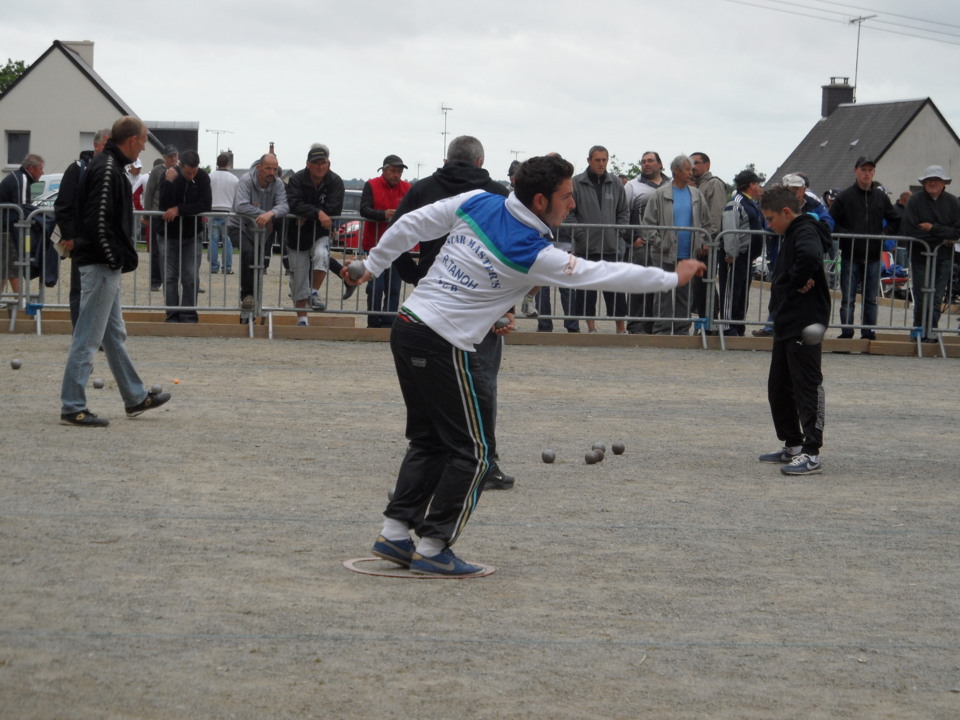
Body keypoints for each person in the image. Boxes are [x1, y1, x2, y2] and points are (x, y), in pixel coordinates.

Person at [345, 154, 704, 575]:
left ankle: (395, 533)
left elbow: (411, 225)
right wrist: (670, 279)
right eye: (567, 197)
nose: (573, 205)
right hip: (441, 340)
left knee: (430, 440)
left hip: (408, 326)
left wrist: (372, 264)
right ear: (539, 201)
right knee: (475, 454)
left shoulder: (478, 200)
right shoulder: (534, 252)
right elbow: (601, 273)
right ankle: (432, 547)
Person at [388, 135, 517, 490]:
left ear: (448, 158)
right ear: (480, 161)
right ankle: (484, 463)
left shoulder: (423, 188)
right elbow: (512, 255)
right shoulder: (496, 193)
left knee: (434, 385)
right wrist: (507, 306)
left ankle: (439, 459)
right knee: (482, 383)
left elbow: (396, 233)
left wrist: (413, 275)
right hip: (481, 304)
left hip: (435, 301)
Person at [59, 116, 171, 427]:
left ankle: (135, 397)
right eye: (144, 139)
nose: (145, 145)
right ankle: (72, 405)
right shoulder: (108, 169)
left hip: (100, 263)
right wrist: (112, 257)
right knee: (88, 336)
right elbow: (97, 222)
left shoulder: (108, 166)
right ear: (133, 139)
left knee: (111, 334)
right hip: (99, 264)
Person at [757, 185, 831, 476]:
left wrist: (796, 279)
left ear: (786, 212)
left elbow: (811, 257)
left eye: (771, 218)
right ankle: (794, 444)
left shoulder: (804, 230)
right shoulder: (791, 231)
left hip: (806, 322)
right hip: (788, 322)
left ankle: (812, 453)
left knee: (806, 386)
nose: (768, 224)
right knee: (779, 387)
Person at [828, 156, 900, 340]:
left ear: (874, 172)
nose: (866, 174)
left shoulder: (881, 197)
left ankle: (868, 332)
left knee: (871, 299)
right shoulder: (845, 196)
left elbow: (895, 219)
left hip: (874, 256)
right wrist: (847, 233)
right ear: (856, 171)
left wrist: (884, 234)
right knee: (848, 298)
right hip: (851, 254)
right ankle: (847, 331)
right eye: (863, 170)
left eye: (870, 170)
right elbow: (830, 220)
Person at [643, 154, 713, 335]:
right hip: (664, 253)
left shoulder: (696, 194)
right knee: (663, 293)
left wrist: (703, 242)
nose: (691, 172)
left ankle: (682, 330)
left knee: (685, 294)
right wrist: (659, 242)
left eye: (691, 169)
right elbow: (648, 223)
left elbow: (706, 222)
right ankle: (662, 330)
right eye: (687, 169)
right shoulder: (660, 194)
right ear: (676, 171)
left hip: (689, 252)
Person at [569, 145, 630, 334]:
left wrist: (618, 233)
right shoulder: (576, 183)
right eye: (597, 160)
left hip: (611, 246)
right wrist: (581, 235)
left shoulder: (615, 182)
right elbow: (570, 213)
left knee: (616, 289)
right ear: (589, 160)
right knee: (587, 289)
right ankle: (591, 327)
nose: (601, 164)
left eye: (604, 160)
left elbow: (623, 211)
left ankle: (621, 329)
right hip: (586, 247)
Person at [55, 129, 111, 327]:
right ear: (96, 145)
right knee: (80, 289)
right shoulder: (77, 169)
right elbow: (63, 205)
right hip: (80, 240)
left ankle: (100, 335)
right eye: (106, 144)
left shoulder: (113, 170)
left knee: (104, 290)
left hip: (104, 241)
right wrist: (69, 236)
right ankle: (80, 333)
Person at [285, 144, 346, 324]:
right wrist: (318, 214)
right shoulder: (296, 179)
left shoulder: (335, 181)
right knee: (299, 277)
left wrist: (308, 214)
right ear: (308, 164)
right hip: (296, 235)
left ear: (329, 163)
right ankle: (302, 319)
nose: (320, 166)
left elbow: (335, 207)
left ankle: (314, 292)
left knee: (322, 256)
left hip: (321, 232)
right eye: (316, 162)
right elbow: (293, 203)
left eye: (323, 162)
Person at [902, 165, 960, 341]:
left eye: (937, 180)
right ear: (924, 183)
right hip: (920, 257)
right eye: (929, 180)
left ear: (944, 184)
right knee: (921, 296)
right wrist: (942, 236)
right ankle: (919, 331)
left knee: (936, 297)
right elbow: (910, 230)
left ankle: (932, 331)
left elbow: (957, 233)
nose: (933, 183)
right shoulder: (915, 201)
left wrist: (932, 228)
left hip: (944, 258)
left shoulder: (953, 203)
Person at [230, 153, 288, 320]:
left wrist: (271, 214)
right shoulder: (246, 180)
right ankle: (246, 297)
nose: (272, 172)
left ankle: (251, 308)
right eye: (268, 168)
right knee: (248, 253)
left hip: (261, 231)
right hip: (238, 227)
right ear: (259, 168)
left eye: (275, 169)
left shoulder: (277, 184)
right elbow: (240, 206)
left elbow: (284, 205)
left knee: (259, 263)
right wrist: (264, 214)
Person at [159, 150, 211, 323]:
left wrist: (179, 209)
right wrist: (168, 183)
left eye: (194, 172)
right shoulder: (168, 175)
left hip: (191, 234)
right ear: (180, 166)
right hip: (168, 234)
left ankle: (189, 314)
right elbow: (163, 205)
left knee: (190, 275)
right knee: (170, 277)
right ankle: (172, 314)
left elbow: (205, 204)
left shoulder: (203, 177)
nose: (191, 176)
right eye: (188, 172)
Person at [359, 154, 411, 327]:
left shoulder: (407, 188)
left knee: (394, 287)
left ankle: (389, 322)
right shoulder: (371, 185)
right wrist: (382, 215)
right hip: (374, 245)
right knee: (375, 287)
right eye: (393, 171)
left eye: (399, 172)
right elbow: (364, 209)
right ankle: (373, 322)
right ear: (384, 170)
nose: (396, 175)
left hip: (398, 247)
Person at [625, 151, 671, 334]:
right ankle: (636, 325)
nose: (646, 164)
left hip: (665, 247)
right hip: (642, 246)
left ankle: (656, 325)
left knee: (660, 287)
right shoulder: (632, 186)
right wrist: (632, 238)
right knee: (640, 284)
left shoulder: (672, 186)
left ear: (660, 164)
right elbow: (622, 214)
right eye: (643, 162)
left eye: (650, 161)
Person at [718, 170, 765, 337]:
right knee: (731, 291)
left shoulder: (752, 203)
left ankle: (738, 325)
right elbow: (730, 229)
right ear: (751, 185)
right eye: (758, 184)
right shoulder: (736, 202)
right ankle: (727, 326)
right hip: (735, 256)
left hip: (748, 257)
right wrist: (731, 253)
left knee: (742, 292)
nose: (760, 187)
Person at [690, 152, 726, 328]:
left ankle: (710, 322)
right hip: (697, 243)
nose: (692, 166)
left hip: (707, 244)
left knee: (706, 284)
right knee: (699, 286)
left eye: (696, 163)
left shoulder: (714, 184)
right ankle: (705, 321)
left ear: (707, 165)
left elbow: (715, 214)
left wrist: (707, 239)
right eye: (690, 163)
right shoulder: (696, 185)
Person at [0, 153, 45, 295]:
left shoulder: (19, 177)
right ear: (31, 169)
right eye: (40, 169)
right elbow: (23, 209)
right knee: (12, 265)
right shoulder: (22, 179)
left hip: (5, 226)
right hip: (6, 228)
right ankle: (20, 301)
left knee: (5, 266)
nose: (42, 173)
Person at [144, 145, 179, 291]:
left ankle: (173, 279)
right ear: (164, 157)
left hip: (175, 215)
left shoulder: (181, 171)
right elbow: (149, 193)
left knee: (176, 248)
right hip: (157, 214)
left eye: (175, 155)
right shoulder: (157, 171)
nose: (173, 159)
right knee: (156, 249)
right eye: (170, 156)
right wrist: (147, 214)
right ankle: (155, 280)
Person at [208, 153, 239, 275]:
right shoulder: (234, 179)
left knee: (213, 240)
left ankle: (213, 266)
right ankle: (227, 267)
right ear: (228, 164)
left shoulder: (210, 177)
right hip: (228, 211)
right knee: (227, 240)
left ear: (217, 163)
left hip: (213, 209)